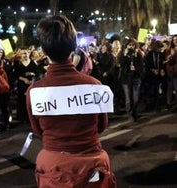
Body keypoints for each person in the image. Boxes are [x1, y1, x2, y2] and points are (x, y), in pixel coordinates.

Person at [26, 15, 116, 188]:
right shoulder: (94, 85)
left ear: (43, 51)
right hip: (92, 164)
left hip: (54, 166)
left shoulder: (34, 91)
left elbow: (37, 130)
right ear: (74, 47)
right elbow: (101, 127)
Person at [120, 38, 143, 122]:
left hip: (136, 79)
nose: (131, 47)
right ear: (126, 46)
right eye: (129, 45)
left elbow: (141, 67)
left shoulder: (138, 54)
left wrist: (135, 68)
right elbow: (121, 65)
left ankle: (134, 112)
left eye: (133, 45)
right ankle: (130, 115)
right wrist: (125, 55)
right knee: (128, 99)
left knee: (135, 98)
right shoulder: (123, 54)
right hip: (126, 80)